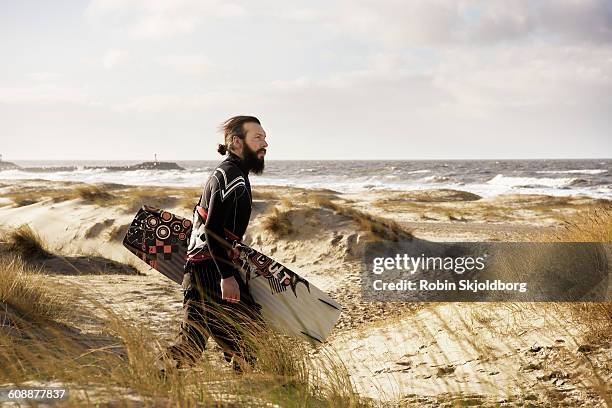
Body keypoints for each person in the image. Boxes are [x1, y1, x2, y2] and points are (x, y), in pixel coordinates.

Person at [163, 115, 268, 372]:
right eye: (258, 137)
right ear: (236, 142)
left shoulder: (227, 173)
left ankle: (156, 381)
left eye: (265, 138)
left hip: (203, 265)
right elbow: (212, 228)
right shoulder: (231, 176)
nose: (265, 143)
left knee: (202, 338)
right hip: (210, 268)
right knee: (249, 334)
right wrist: (227, 276)